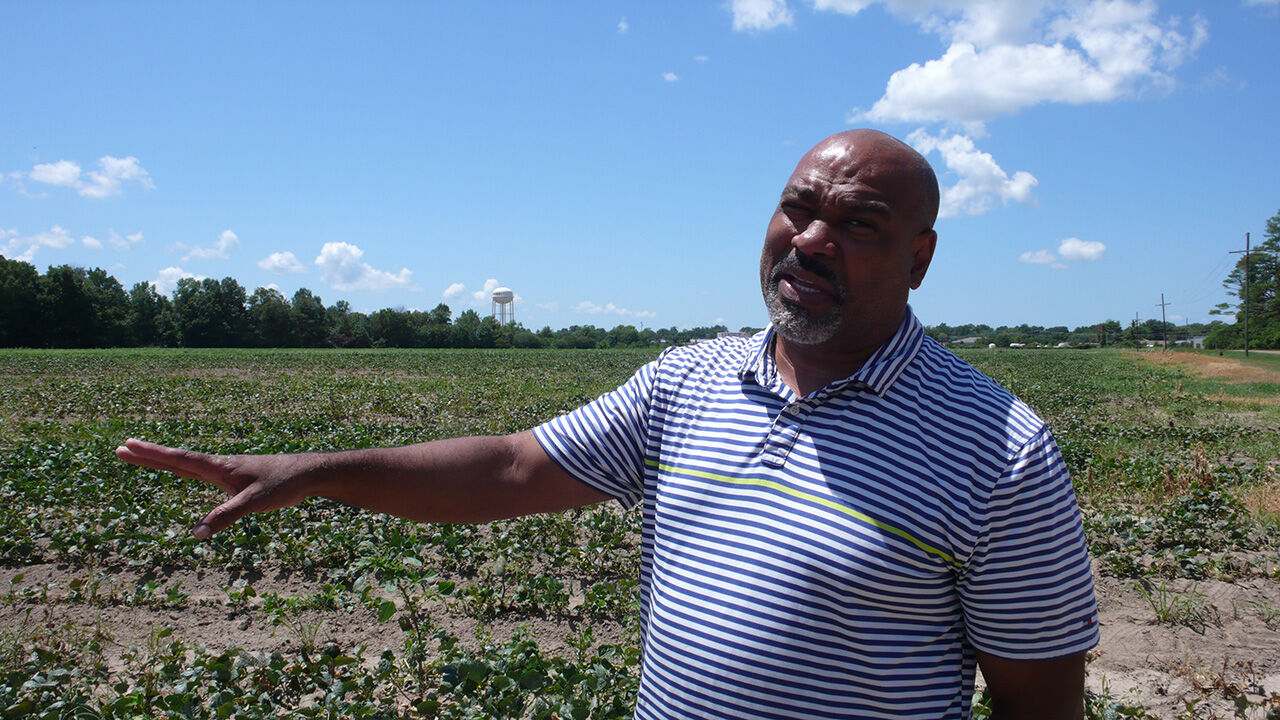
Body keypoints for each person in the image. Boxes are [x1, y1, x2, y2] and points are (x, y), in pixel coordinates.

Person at [117, 129, 1098, 720]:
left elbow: (1037, 699)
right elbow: (508, 468)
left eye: (858, 224)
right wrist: (317, 468)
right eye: (797, 208)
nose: (810, 239)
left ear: (920, 258)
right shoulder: (689, 382)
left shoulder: (996, 450)